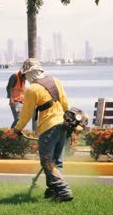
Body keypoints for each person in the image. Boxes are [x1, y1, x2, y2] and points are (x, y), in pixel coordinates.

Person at [13, 58, 73, 202]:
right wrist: (66, 121)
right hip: (63, 125)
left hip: (48, 127)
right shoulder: (55, 81)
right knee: (56, 162)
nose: (25, 78)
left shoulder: (32, 90)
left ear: (30, 73)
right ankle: (53, 190)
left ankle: (64, 191)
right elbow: (65, 103)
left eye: (25, 75)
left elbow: (26, 114)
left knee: (47, 161)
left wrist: (18, 128)